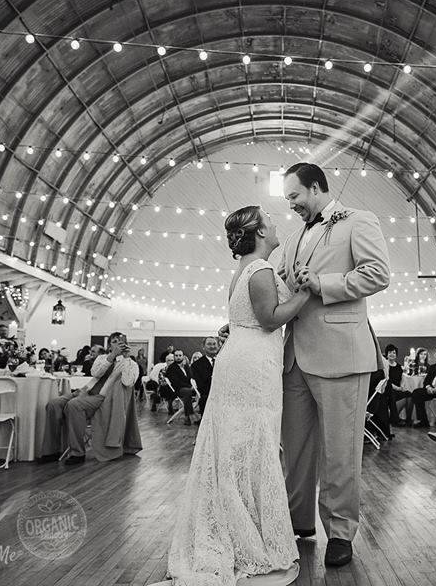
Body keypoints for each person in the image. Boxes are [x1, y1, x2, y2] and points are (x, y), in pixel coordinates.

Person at [161, 205, 310, 586]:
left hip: (241, 360)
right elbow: (270, 318)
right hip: (251, 365)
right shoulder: (259, 270)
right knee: (251, 444)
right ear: (260, 232)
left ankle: (240, 523)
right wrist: (306, 293)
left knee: (237, 446)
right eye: (270, 220)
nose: (276, 224)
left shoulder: (246, 268)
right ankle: (244, 535)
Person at [271, 162, 390, 569]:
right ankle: (297, 520)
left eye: (295, 197)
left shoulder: (359, 221)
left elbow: (378, 274)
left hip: (342, 352)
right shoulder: (291, 238)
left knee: (341, 451)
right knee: (297, 448)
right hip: (294, 358)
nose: (291, 206)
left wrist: (324, 284)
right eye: (288, 200)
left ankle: (340, 532)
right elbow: (282, 284)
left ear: (317, 187)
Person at [40, 331, 137, 465]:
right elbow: (96, 373)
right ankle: (51, 450)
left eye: (121, 342)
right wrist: (111, 356)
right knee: (53, 404)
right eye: (114, 342)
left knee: (74, 405)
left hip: (103, 398)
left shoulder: (131, 363)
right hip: (85, 390)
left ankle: (77, 453)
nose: (118, 344)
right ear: (109, 345)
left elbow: (128, 382)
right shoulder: (102, 358)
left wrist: (126, 358)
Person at [164, 350, 197, 425]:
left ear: (183, 356)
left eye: (180, 355)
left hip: (190, 387)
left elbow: (191, 377)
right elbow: (176, 382)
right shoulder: (171, 368)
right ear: (174, 357)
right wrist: (190, 387)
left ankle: (201, 416)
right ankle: (188, 416)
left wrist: (193, 386)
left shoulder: (186, 366)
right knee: (187, 391)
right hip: (179, 389)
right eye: (176, 355)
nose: (178, 357)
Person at [189, 336, 219, 416]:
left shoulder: (223, 361)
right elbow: (202, 387)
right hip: (209, 397)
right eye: (209, 344)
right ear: (203, 347)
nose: (212, 346)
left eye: (214, 344)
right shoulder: (196, 365)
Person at [384, 344, 412, 426]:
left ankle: (408, 419)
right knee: (394, 395)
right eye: (390, 352)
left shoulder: (399, 366)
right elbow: (387, 381)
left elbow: (402, 379)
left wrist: (402, 387)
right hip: (388, 389)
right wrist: (398, 388)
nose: (392, 354)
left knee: (410, 395)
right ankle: (394, 419)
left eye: (394, 353)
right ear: (387, 354)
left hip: (398, 388)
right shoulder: (385, 365)